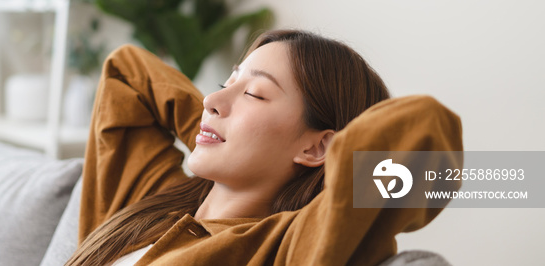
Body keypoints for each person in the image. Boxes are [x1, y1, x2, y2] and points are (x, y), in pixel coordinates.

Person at [64, 29, 463, 265]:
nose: (210, 99)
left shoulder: (289, 244)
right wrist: (213, 132)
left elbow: (424, 129)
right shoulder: (151, 196)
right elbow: (126, 73)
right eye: (226, 83)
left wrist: (227, 136)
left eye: (254, 94)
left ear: (318, 147)